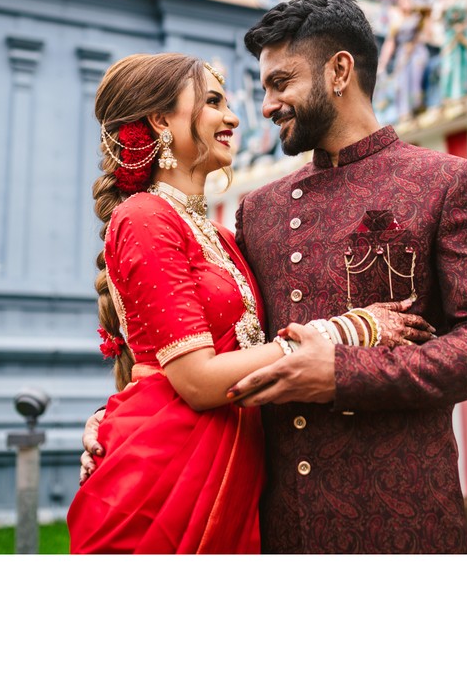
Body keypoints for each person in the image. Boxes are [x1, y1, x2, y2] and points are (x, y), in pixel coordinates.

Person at [82, 0, 467, 553]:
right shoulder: (257, 213)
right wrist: (125, 417)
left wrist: (344, 373)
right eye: (261, 87)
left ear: (339, 71)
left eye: (281, 82)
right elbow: (204, 338)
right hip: (269, 520)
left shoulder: (443, 183)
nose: (264, 106)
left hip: (400, 516)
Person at [67, 53, 432, 554]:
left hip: (232, 464)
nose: (235, 118)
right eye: (214, 102)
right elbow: (195, 381)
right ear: (159, 120)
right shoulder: (144, 216)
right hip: (170, 472)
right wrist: (345, 331)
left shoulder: (221, 234)